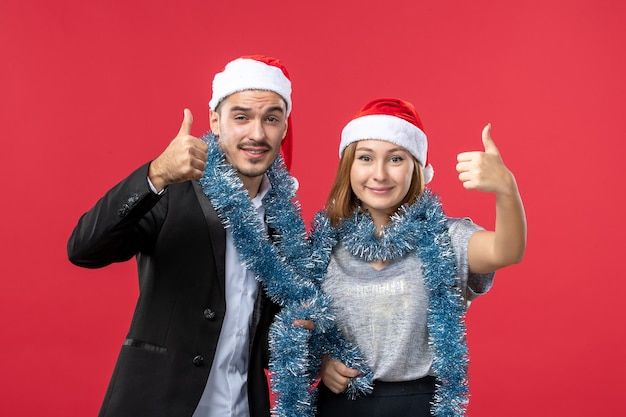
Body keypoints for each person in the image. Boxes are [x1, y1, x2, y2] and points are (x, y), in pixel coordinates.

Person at [67, 55, 312, 417]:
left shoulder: (284, 224)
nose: (257, 134)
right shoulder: (172, 192)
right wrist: (155, 175)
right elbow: (84, 248)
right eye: (241, 117)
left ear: (284, 127)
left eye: (271, 119)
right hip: (159, 404)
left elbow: (260, 341)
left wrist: (303, 335)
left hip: (242, 408)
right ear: (215, 120)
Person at [307, 97, 527, 417]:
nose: (379, 174)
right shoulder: (324, 244)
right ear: (348, 167)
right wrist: (322, 362)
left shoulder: (443, 238)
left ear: (417, 169)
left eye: (395, 159)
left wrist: (506, 190)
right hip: (340, 403)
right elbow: (296, 325)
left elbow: (506, 250)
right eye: (366, 158)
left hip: (417, 403)